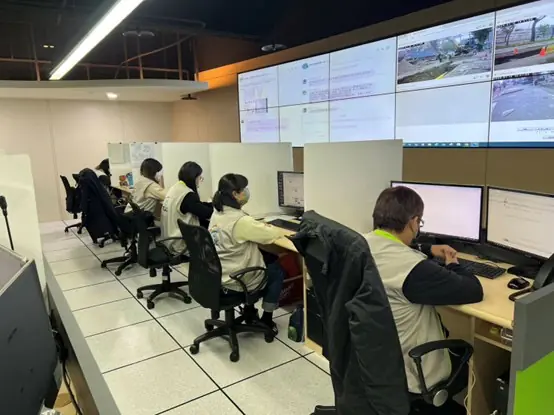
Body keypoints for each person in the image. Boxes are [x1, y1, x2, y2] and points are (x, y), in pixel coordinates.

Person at [364, 186, 483, 397]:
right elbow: (473, 290)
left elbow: (395, 248)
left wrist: (428, 249)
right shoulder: (413, 269)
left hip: (372, 358)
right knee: (470, 361)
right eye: (419, 223)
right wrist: (454, 264)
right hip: (411, 370)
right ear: (413, 222)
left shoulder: (359, 245)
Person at [209, 173, 287, 333]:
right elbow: (271, 235)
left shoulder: (217, 212)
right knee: (276, 270)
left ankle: (249, 309)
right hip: (236, 278)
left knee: (266, 257)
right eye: (243, 189)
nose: (247, 192)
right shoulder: (240, 221)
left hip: (219, 273)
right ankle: (267, 318)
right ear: (235, 194)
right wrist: (271, 227)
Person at [161, 161, 212, 254]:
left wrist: (211, 204)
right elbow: (206, 213)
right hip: (179, 244)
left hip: (168, 239)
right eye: (199, 178)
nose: (200, 181)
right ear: (193, 178)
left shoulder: (176, 188)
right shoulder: (187, 194)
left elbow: (197, 205)